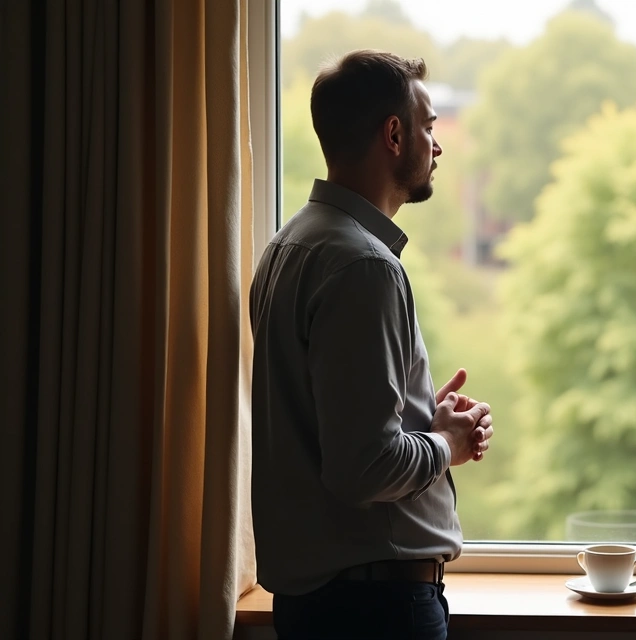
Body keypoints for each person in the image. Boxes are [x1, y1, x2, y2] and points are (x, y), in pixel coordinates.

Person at [249, 50, 494, 640]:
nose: (437, 145)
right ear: (394, 134)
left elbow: (327, 427)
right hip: (375, 612)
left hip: (324, 605)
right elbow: (363, 470)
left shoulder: (289, 247)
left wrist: (415, 417)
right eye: (430, 126)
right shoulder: (364, 267)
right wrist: (447, 443)